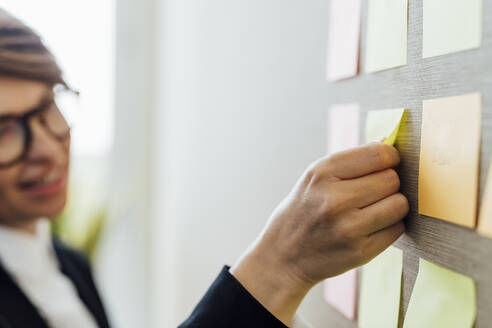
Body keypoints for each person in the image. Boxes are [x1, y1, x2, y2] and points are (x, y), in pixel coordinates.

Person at [0, 9, 409, 328]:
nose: (47, 149)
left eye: (49, 107)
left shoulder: (70, 264)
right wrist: (278, 265)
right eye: (4, 129)